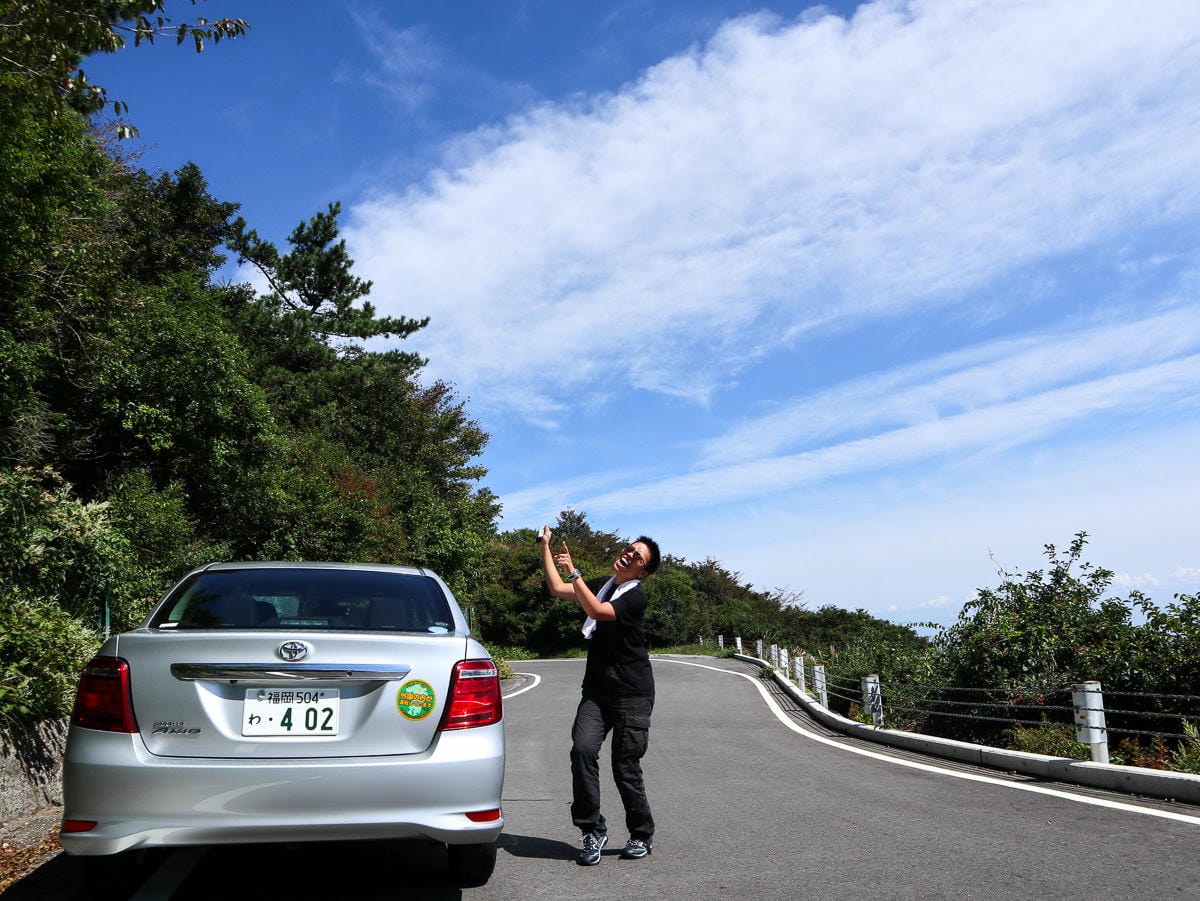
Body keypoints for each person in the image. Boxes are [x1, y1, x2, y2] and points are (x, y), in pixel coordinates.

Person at [537, 524, 661, 866]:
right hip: (597, 692)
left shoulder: (635, 597)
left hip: (632, 694)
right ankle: (592, 830)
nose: (627, 554)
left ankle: (641, 834)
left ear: (643, 571)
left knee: (625, 765)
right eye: (628, 548)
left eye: (636, 555)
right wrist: (544, 547)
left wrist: (574, 572)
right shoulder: (600, 587)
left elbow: (595, 612)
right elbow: (558, 589)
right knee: (582, 750)